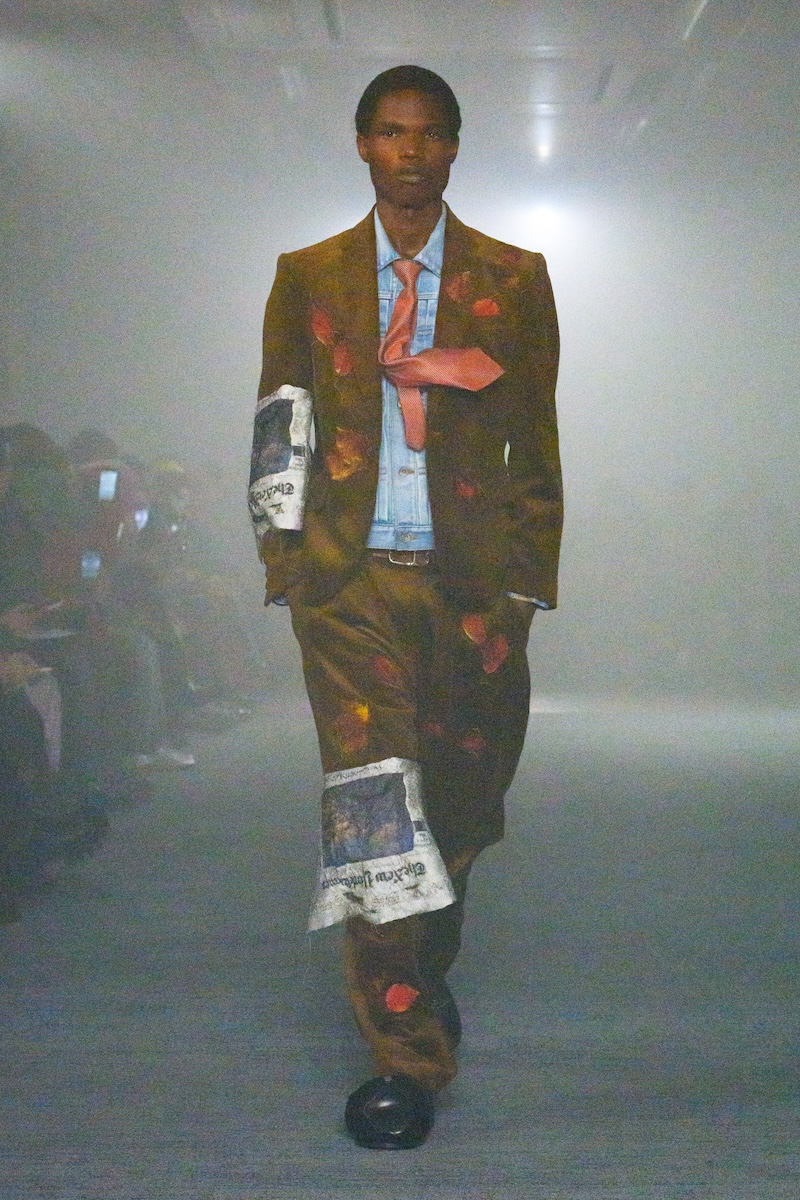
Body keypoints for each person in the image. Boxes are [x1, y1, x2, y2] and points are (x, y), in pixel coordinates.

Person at [248, 65, 562, 1148]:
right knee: (376, 813)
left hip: (468, 592)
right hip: (349, 590)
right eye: (390, 132)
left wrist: (521, 586)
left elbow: (536, 437)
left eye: (429, 133)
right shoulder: (308, 276)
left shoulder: (513, 278)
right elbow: (280, 418)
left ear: (455, 146)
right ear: (361, 145)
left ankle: (418, 978)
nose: (410, 151)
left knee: (459, 816)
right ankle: (403, 1058)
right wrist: (289, 565)